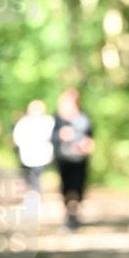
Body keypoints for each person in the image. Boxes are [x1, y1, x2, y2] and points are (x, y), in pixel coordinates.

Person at [52, 88, 94, 230]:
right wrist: (61, 135)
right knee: (66, 187)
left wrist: (86, 144)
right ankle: (69, 215)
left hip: (80, 159)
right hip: (64, 159)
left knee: (78, 187)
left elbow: (91, 138)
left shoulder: (84, 118)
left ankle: (75, 214)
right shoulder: (58, 119)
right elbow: (52, 137)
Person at [12, 100, 55, 193]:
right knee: (29, 176)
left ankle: (35, 193)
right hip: (27, 154)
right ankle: (32, 192)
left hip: (41, 155)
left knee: (36, 176)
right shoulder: (24, 122)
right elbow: (17, 137)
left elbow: (51, 136)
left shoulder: (47, 121)